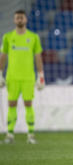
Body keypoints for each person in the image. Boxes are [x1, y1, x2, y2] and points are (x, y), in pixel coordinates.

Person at [0, 10, 45, 144]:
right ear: (14, 20)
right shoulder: (8, 37)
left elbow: (38, 56)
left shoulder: (33, 37)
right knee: (11, 104)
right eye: (17, 18)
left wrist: (41, 75)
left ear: (26, 20)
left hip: (28, 77)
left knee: (28, 104)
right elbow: (3, 56)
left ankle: (30, 135)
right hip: (12, 77)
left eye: (21, 17)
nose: (19, 19)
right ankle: (9, 135)